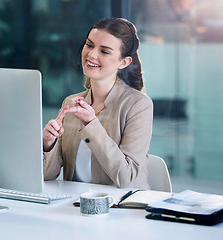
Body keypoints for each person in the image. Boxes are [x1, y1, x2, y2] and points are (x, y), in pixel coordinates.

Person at [42, 17, 153, 190]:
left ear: (124, 62)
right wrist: (48, 143)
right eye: (89, 45)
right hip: (76, 206)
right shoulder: (71, 102)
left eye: (105, 51)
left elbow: (125, 178)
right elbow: (48, 175)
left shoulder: (138, 105)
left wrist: (91, 124)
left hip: (122, 209)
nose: (91, 54)